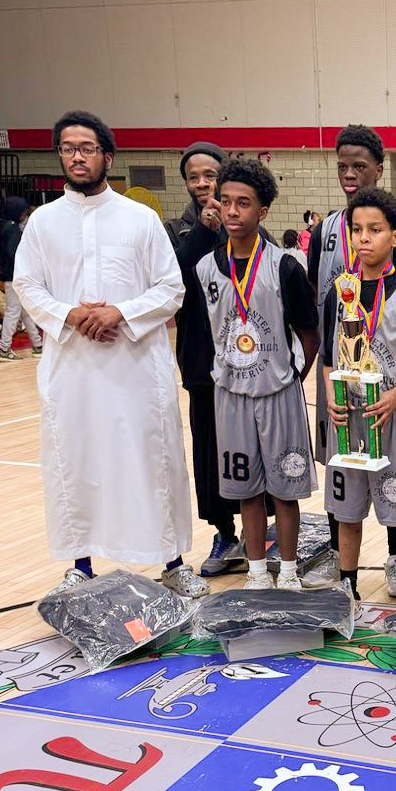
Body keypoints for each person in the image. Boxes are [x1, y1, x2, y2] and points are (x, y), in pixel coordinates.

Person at [13, 110, 204, 599]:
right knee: (78, 460)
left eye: (87, 148)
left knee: (152, 458)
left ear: (108, 157)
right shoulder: (43, 223)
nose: (77, 156)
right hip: (73, 368)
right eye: (68, 148)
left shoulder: (140, 219)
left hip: (135, 366)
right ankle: (81, 564)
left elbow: (171, 288)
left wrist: (120, 311)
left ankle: (173, 562)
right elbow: (27, 285)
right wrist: (71, 315)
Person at [196, 158, 319, 591]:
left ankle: (289, 571)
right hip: (231, 394)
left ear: (262, 211)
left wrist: (292, 376)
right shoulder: (206, 269)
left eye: (243, 203)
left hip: (277, 392)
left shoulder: (284, 267)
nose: (232, 211)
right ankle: (256, 572)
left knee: (284, 488)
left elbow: (309, 333)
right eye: (226, 201)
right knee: (245, 489)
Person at [307, 125, 396, 596]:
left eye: (359, 166)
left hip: (385, 372)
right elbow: (318, 298)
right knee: (343, 467)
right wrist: (325, 377)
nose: (349, 173)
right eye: (343, 166)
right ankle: (339, 558)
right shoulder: (325, 232)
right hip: (340, 372)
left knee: (391, 470)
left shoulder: (394, 230)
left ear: (379, 169)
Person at [322, 188, 396, 603]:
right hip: (348, 418)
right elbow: (327, 358)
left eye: (374, 229)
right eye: (357, 230)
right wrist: (330, 396)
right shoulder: (339, 292)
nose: (363, 238)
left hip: (394, 414)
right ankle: (347, 593)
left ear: (395, 236)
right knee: (347, 512)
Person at [163, 140, 244, 577]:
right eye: (193, 177)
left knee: (252, 446)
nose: (201, 184)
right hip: (201, 362)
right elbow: (173, 281)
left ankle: (259, 531)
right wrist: (202, 233)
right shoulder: (175, 230)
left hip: (249, 364)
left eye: (209, 175)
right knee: (210, 452)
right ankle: (224, 532)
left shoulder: (246, 222)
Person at [0, 197, 43, 361]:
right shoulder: (12, 228)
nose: (24, 215)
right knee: (13, 312)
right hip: (15, 275)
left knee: (25, 311)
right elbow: (15, 254)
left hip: (12, 275)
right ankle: (4, 348)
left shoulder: (4, 226)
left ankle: (38, 345)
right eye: (23, 212)